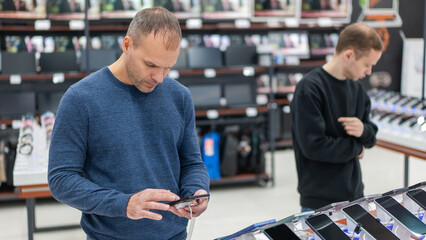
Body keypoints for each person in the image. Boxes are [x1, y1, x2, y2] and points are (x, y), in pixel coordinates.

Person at [48, 7, 210, 240]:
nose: (159, 77)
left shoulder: (180, 96)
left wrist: (196, 191)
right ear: (127, 45)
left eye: (168, 68)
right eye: (151, 65)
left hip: (174, 234)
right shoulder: (80, 99)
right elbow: (61, 179)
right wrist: (124, 204)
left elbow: (192, 163)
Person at [290, 22, 383, 212]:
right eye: (367, 65)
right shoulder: (309, 89)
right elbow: (314, 147)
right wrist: (357, 147)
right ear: (348, 55)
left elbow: (371, 135)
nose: (369, 72)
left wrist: (363, 130)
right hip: (318, 201)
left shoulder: (357, 89)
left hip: (355, 195)